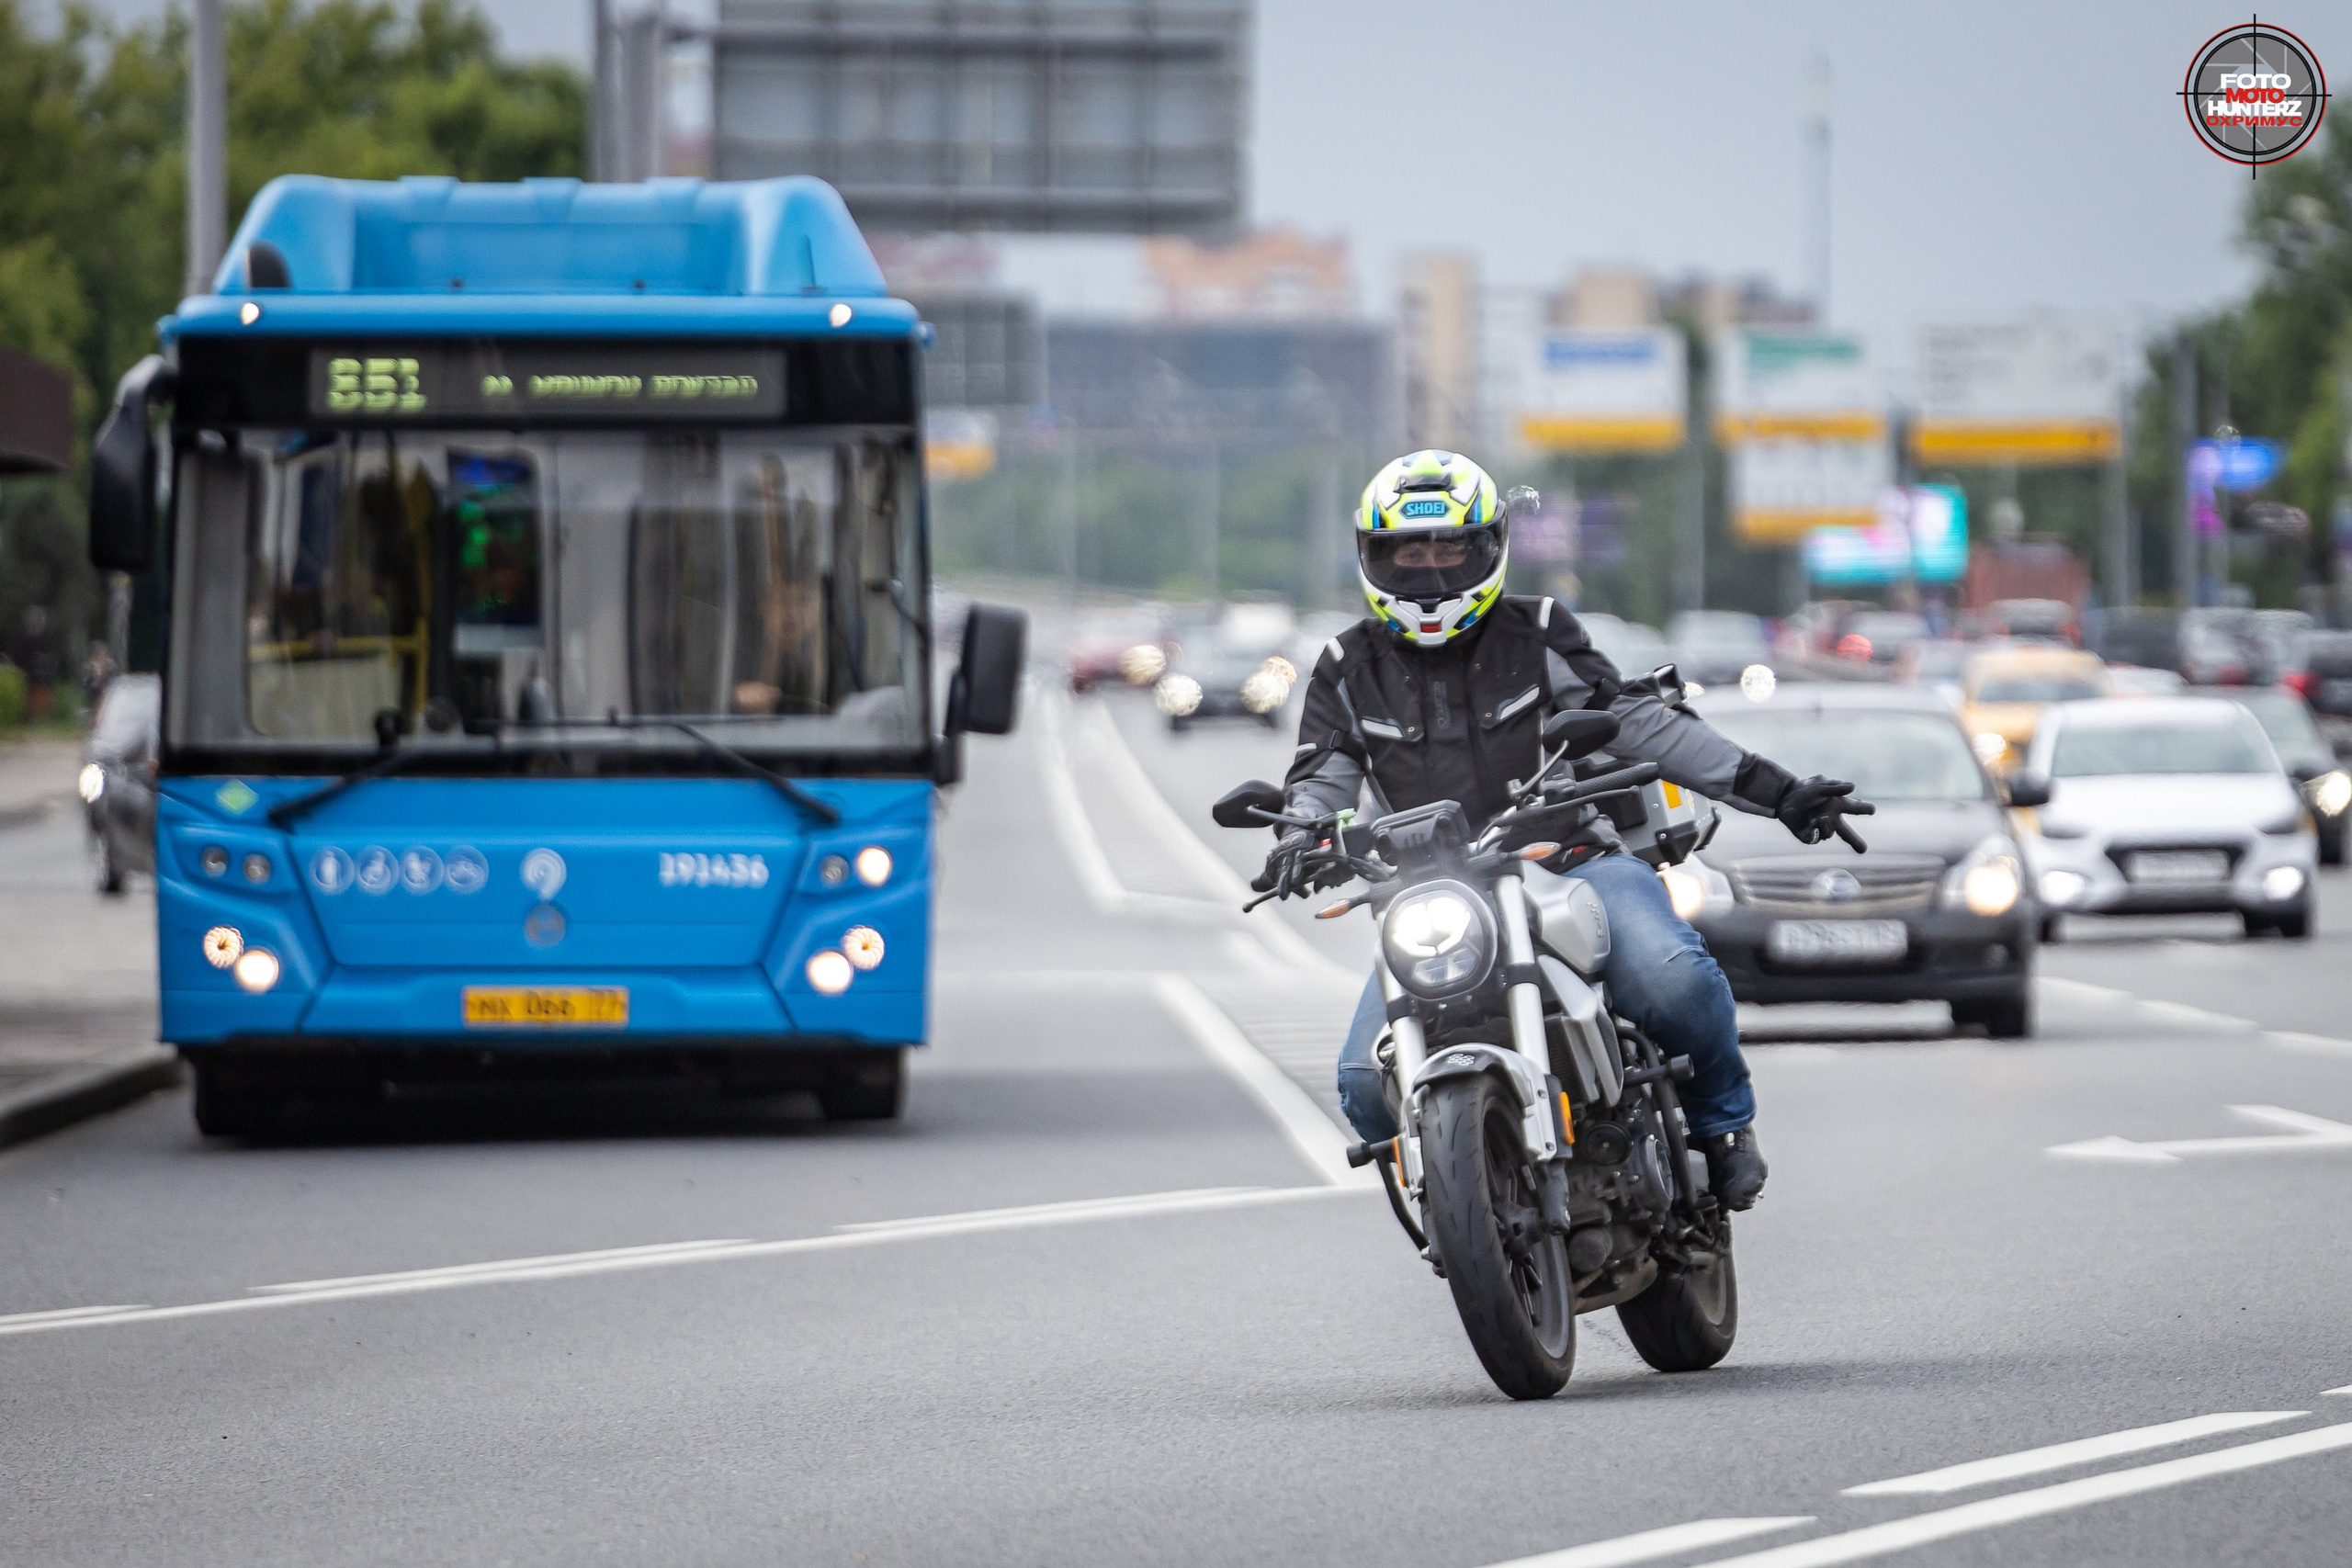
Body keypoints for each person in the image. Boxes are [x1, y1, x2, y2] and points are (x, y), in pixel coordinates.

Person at [1266, 451, 1872, 1211]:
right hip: (1435, 889)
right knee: (1363, 1081)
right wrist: (1303, 836)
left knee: (1669, 975)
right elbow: (1321, 775)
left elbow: (1641, 724)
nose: (1429, 569)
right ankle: (1452, 1205)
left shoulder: (1539, 631)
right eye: (1407, 551)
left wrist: (1777, 791)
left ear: (1488, 546)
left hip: (1570, 859)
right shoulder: (1345, 665)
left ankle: (1723, 1123)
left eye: (1449, 547)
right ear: (1373, 556)